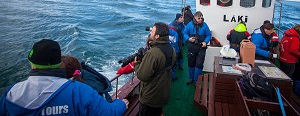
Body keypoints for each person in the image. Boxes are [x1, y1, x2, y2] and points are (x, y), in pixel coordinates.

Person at [0, 39, 128, 116]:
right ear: (59, 63)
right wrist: (120, 103)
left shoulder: (11, 94)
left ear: (32, 64)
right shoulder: (81, 91)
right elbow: (109, 113)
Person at [134, 22, 176, 116]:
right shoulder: (171, 49)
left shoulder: (153, 53)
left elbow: (142, 76)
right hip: (163, 94)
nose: (150, 34)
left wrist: (136, 64)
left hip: (150, 98)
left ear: (157, 36)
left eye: (152, 32)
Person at [183, 11, 211, 84]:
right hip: (192, 47)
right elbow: (185, 33)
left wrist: (205, 42)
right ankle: (191, 78)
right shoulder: (189, 25)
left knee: (199, 64)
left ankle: (197, 81)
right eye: (199, 18)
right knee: (191, 63)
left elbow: (208, 35)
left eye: (202, 18)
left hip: (201, 47)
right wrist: (188, 39)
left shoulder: (205, 25)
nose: (201, 19)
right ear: (195, 18)